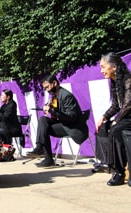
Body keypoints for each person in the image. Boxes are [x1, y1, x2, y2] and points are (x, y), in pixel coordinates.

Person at [27, 74, 88, 167]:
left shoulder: (66, 95)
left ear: (54, 83)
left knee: (44, 128)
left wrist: (52, 111)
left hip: (72, 127)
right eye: (45, 88)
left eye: (47, 87)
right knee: (43, 120)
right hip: (63, 123)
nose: (47, 90)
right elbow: (57, 111)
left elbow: (71, 117)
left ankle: (46, 157)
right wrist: (49, 107)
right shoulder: (55, 95)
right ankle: (40, 147)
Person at [96, 52, 131, 186]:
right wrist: (104, 117)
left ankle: (120, 172)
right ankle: (111, 166)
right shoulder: (114, 82)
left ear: (114, 67)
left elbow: (128, 105)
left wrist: (117, 120)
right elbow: (116, 105)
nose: (101, 70)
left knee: (116, 128)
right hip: (125, 118)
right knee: (103, 128)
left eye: (103, 67)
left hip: (128, 117)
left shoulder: (128, 80)